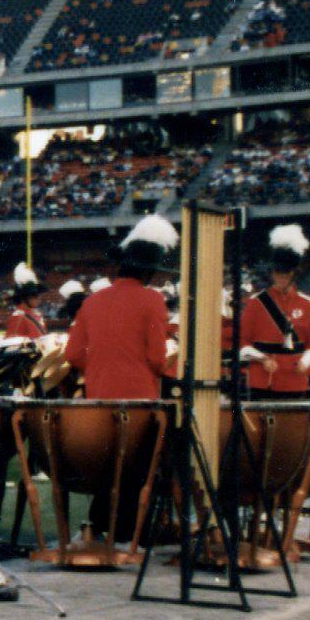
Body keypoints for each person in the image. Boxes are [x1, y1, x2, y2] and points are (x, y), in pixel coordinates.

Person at [63, 215, 178, 540]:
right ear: (147, 271)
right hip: (139, 398)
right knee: (137, 467)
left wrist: (102, 366)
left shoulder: (92, 301)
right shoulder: (152, 300)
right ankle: (129, 531)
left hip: (98, 398)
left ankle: (98, 525)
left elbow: (72, 356)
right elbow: (157, 358)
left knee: (107, 465)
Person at [238, 224, 310, 399]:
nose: (281, 277)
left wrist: (305, 362)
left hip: (295, 379)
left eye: (286, 273)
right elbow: (243, 344)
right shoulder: (256, 302)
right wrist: (262, 359)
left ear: (294, 273)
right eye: (277, 273)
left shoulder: (306, 304)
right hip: (263, 379)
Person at [4, 263, 48, 339]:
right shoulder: (18, 317)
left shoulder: (36, 315)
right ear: (25, 297)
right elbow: (12, 346)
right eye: (34, 295)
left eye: (38, 294)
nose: (38, 298)